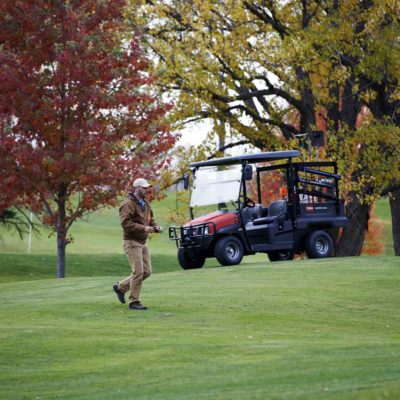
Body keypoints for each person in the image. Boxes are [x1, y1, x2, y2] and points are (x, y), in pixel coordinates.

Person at [113, 178, 162, 310]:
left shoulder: (145, 203)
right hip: (131, 241)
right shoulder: (128, 204)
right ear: (137, 188)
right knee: (138, 272)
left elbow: (150, 220)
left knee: (147, 272)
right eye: (144, 187)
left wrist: (156, 227)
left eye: (147, 188)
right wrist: (143, 228)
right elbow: (125, 223)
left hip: (142, 242)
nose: (146, 190)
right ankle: (134, 302)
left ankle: (121, 287)